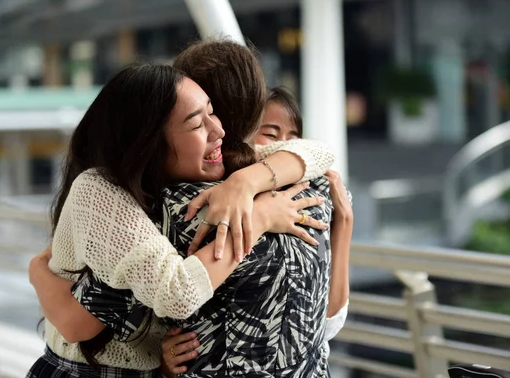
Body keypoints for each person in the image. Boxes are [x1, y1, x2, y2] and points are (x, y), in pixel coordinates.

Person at [29, 40, 352, 377]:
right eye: (198, 123)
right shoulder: (113, 195)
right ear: (149, 141)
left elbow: (318, 152)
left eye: (213, 112)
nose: (219, 131)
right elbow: (82, 323)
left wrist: (247, 183)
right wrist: (259, 216)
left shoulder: (214, 182)